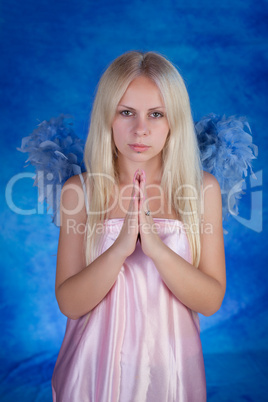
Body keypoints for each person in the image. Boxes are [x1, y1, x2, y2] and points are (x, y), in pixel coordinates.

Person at [51, 51, 226, 402]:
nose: (140, 129)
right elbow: (69, 303)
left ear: (174, 120)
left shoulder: (202, 190)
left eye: (156, 114)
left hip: (171, 375)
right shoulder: (81, 192)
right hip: (92, 377)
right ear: (108, 117)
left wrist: (157, 249)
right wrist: (120, 247)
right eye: (126, 112)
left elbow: (210, 301)